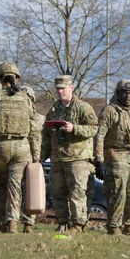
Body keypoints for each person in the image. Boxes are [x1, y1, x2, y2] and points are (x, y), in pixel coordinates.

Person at [0, 62, 41, 234]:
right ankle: (13, 222)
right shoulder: (25, 99)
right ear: (17, 78)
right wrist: (36, 156)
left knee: (1, 186)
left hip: (0, 147)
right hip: (22, 147)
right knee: (16, 186)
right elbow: (34, 130)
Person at [41, 75, 99, 234]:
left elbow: (94, 128)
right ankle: (62, 223)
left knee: (77, 192)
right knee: (57, 192)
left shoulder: (83, 107)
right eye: (58, 89)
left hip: (77, 158)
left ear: (71, 88)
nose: (60, 92)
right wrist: (39, 158)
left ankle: (78, 225)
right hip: (58, 158)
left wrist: (75, 129)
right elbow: (46, 136)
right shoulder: (53, 110)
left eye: (63, 88)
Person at [94, 79, 130, 236]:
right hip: (116, 156)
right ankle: (114, 226)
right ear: (118, 93)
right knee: (118, 192)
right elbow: (99, 136)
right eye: (125, 93)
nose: (128, 96)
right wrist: (99, 160)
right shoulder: (110, 111)